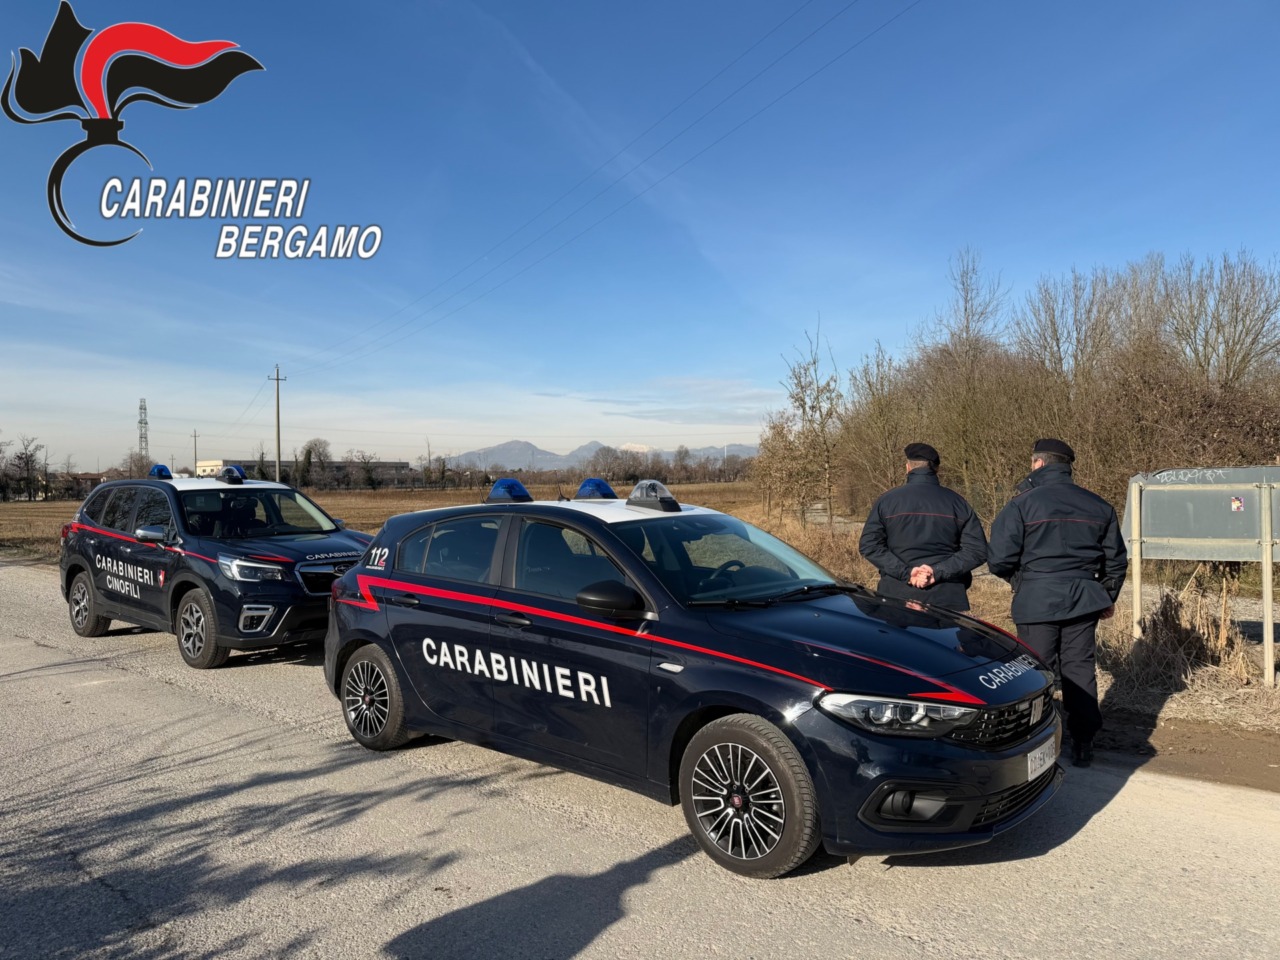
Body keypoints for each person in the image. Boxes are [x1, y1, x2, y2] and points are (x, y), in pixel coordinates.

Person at [987, 438, 1127, 767]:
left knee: (1036, 670)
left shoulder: (1021, 505)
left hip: (1036, 599)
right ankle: (1083, 741)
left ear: (1038, 464)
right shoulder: (1099, 505)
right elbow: (1117, 562)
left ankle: (1033, 738)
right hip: (1082, 599)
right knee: (1079, 668)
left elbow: (998, 559)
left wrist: (1022, 582)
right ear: (1066, 466)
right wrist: (1105, 595)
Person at [858, 443, 988, 611]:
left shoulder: (887, 501)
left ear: (907, 467)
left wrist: (907, 573)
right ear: (937, 469)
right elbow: (977, 550)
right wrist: (937, 572)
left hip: (896, 595)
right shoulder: (957, 502)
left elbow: (869, 545)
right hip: (947, 597)